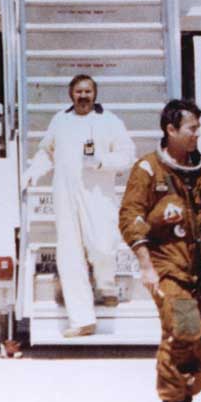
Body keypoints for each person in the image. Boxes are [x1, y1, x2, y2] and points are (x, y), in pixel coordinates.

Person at [119, 99, 201, 402]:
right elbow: (131, 219)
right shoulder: (148, 170)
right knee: (183, 329)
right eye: (191, 128)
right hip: (170, 266)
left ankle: (186, 397)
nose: (196, 135)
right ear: (170, 129)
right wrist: (146, 266)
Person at [24, 75, 135, 336]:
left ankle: (106, 285)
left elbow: (127, 155)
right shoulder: (60, 120)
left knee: (102, 246)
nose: (83, 96)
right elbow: (46, 151)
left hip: (98, 195)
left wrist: (101, 162)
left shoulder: (109, 121)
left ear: (95, 94)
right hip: (65, 195)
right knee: (70, 254)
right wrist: (32, 173)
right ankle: (83, 319)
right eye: (78, 92)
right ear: (70, 94)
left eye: (87, 91)